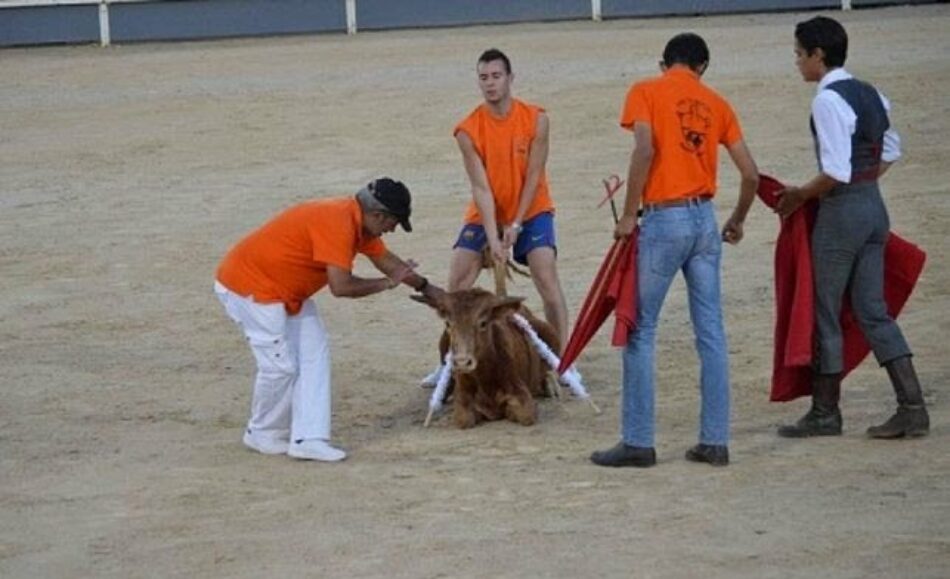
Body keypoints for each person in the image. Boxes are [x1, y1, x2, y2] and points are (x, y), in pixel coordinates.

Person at [590, 33, 759, 468]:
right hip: (705, 220)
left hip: (664, 219)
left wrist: (629, 215)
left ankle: (639, 441)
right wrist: (736, 220)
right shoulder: (717, 104)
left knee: (641, 329)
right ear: (702, 67)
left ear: (665, 63)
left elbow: (644, 149)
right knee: (711, 333)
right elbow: (751, 175)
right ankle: (715, 440)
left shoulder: (646, 90)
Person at [774, 16, 929, 439]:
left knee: (825, 309)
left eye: (799, 54)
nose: (797, 62)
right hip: (874, 208)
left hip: (842, 214)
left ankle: (826, 413)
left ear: (817, 56)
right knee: (872, 311)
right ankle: (912, 407)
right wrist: (865, 185)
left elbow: (835, 171)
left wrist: (801, 195)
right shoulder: (870, 92)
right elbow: (891, 150)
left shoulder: (826, 101)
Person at [214, 178, 444, 462]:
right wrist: (385, 284)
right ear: (377, 215)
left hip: (286, 293)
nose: (392, 229)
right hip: (251, 289)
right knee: (279, 367)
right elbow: (341, 287)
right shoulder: (338, 224)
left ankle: (308, 439)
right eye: (392, 222)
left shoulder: (358, 222)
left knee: (314, 353)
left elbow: (388, 262)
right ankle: (261, 432)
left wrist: (428, 289)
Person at [449, 48, 570, 350]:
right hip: (486, 214)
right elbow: (481, 188)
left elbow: (534, 175)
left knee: (547, 280)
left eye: (496, 76)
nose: (490, 83)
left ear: (510, 78)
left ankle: (563, 358)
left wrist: (516, 223)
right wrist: (493, 236)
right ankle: (451, 358)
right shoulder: (467, 130)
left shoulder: (536, 119)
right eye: (483, 78)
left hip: (532, 210)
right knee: (456, 288)